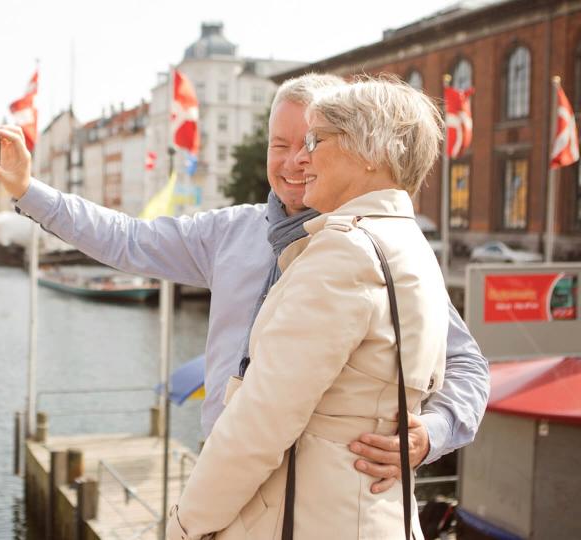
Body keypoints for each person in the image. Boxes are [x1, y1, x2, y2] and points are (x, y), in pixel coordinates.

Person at [0, 73, 488, 493]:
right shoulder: (231, 232)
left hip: (324, 488)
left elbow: (466, 363)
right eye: (280, 145)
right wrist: (27, 189)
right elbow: (127, 239)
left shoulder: (382, 251)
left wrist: (432, 433)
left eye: (312, 143)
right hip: (225, 468)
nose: (295, 160)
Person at [164, 77, 448, 538]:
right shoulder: (409, 245)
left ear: (370, 152)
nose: (302, 158)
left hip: (310, 519)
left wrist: (184, 525)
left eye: (316, 140)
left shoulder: (345, 254)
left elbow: (259, 423)